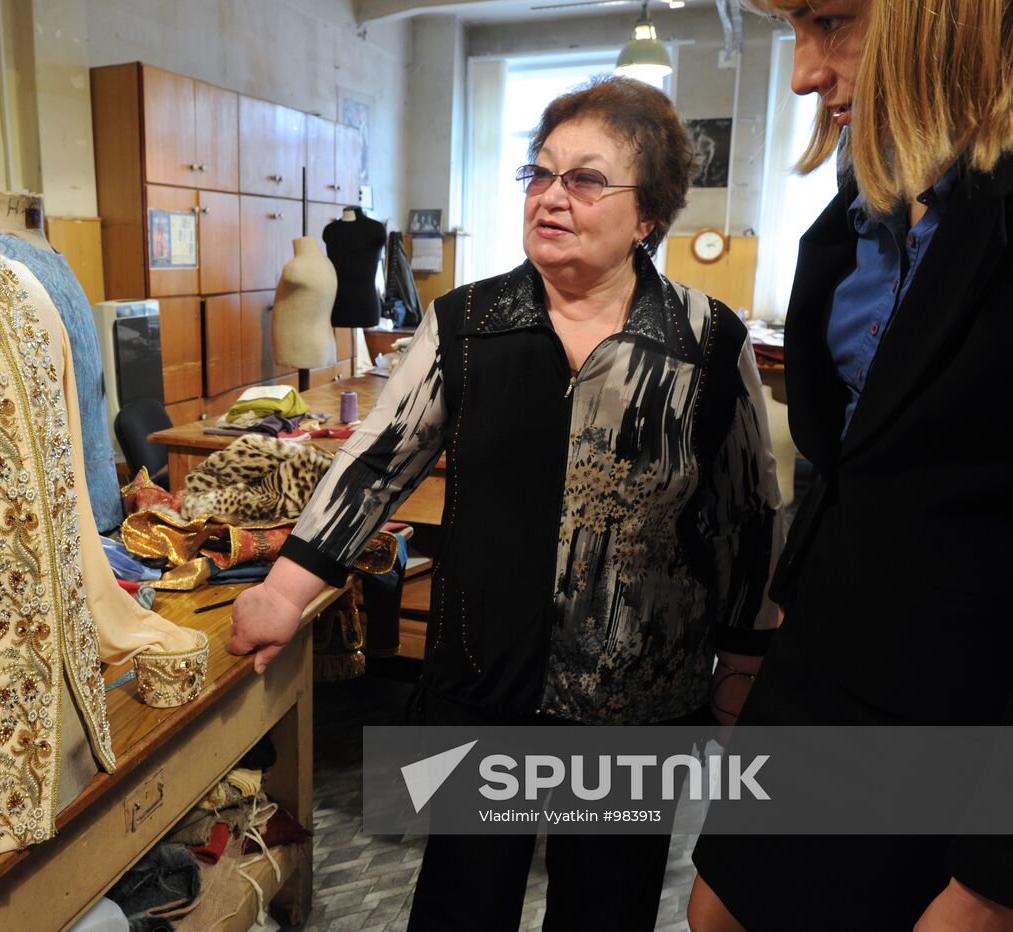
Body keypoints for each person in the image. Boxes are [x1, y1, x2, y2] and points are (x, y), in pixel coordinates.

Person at [231, 76, 782, 931]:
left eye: (586, 179)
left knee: (606, 908)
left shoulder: (705, 341)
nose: (552, 197)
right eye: (541, 173)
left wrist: (742, 663)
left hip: (636, 701)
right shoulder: (468, 323)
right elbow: (378, 462)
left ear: (648, 217)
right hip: (479, 679)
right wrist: (285, 590)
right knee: (460, 901)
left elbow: (746, 512)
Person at [688, 1, 1013, 929]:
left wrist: (996, 879)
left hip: (963, 716)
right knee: (716, 911)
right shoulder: (866, 203)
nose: (802, 72)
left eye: (831, 20)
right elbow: (852, 454)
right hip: (828, 667)